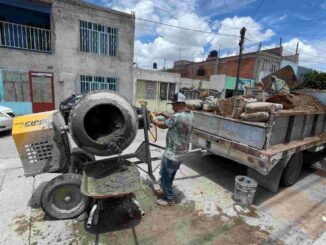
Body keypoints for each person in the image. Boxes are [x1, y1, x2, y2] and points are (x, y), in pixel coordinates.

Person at [151, 92, 194, 206]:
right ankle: (167, 191)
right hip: (182, 152)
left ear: (180, 104)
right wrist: (164, 114)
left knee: (165, 175)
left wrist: (153, 119)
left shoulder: (177, 116)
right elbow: (175, 120)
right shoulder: (190, 114)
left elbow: (162, 125)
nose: (172, 106)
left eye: (174, 104)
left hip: (172, 153)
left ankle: (169, 199)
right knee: (171, 173)